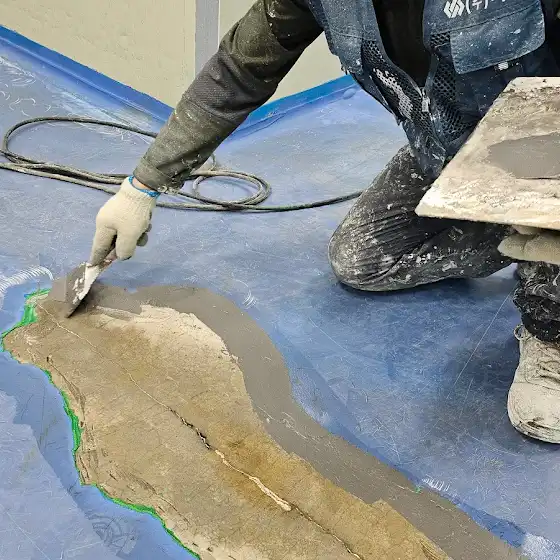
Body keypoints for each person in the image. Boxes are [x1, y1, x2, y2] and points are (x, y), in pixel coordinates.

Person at [89, 0, 560, 443]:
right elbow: (239, 70)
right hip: (446, 148)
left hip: (546, 149)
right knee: (363, 260)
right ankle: (508, 231)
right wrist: (142, 187)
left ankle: (550, 327)